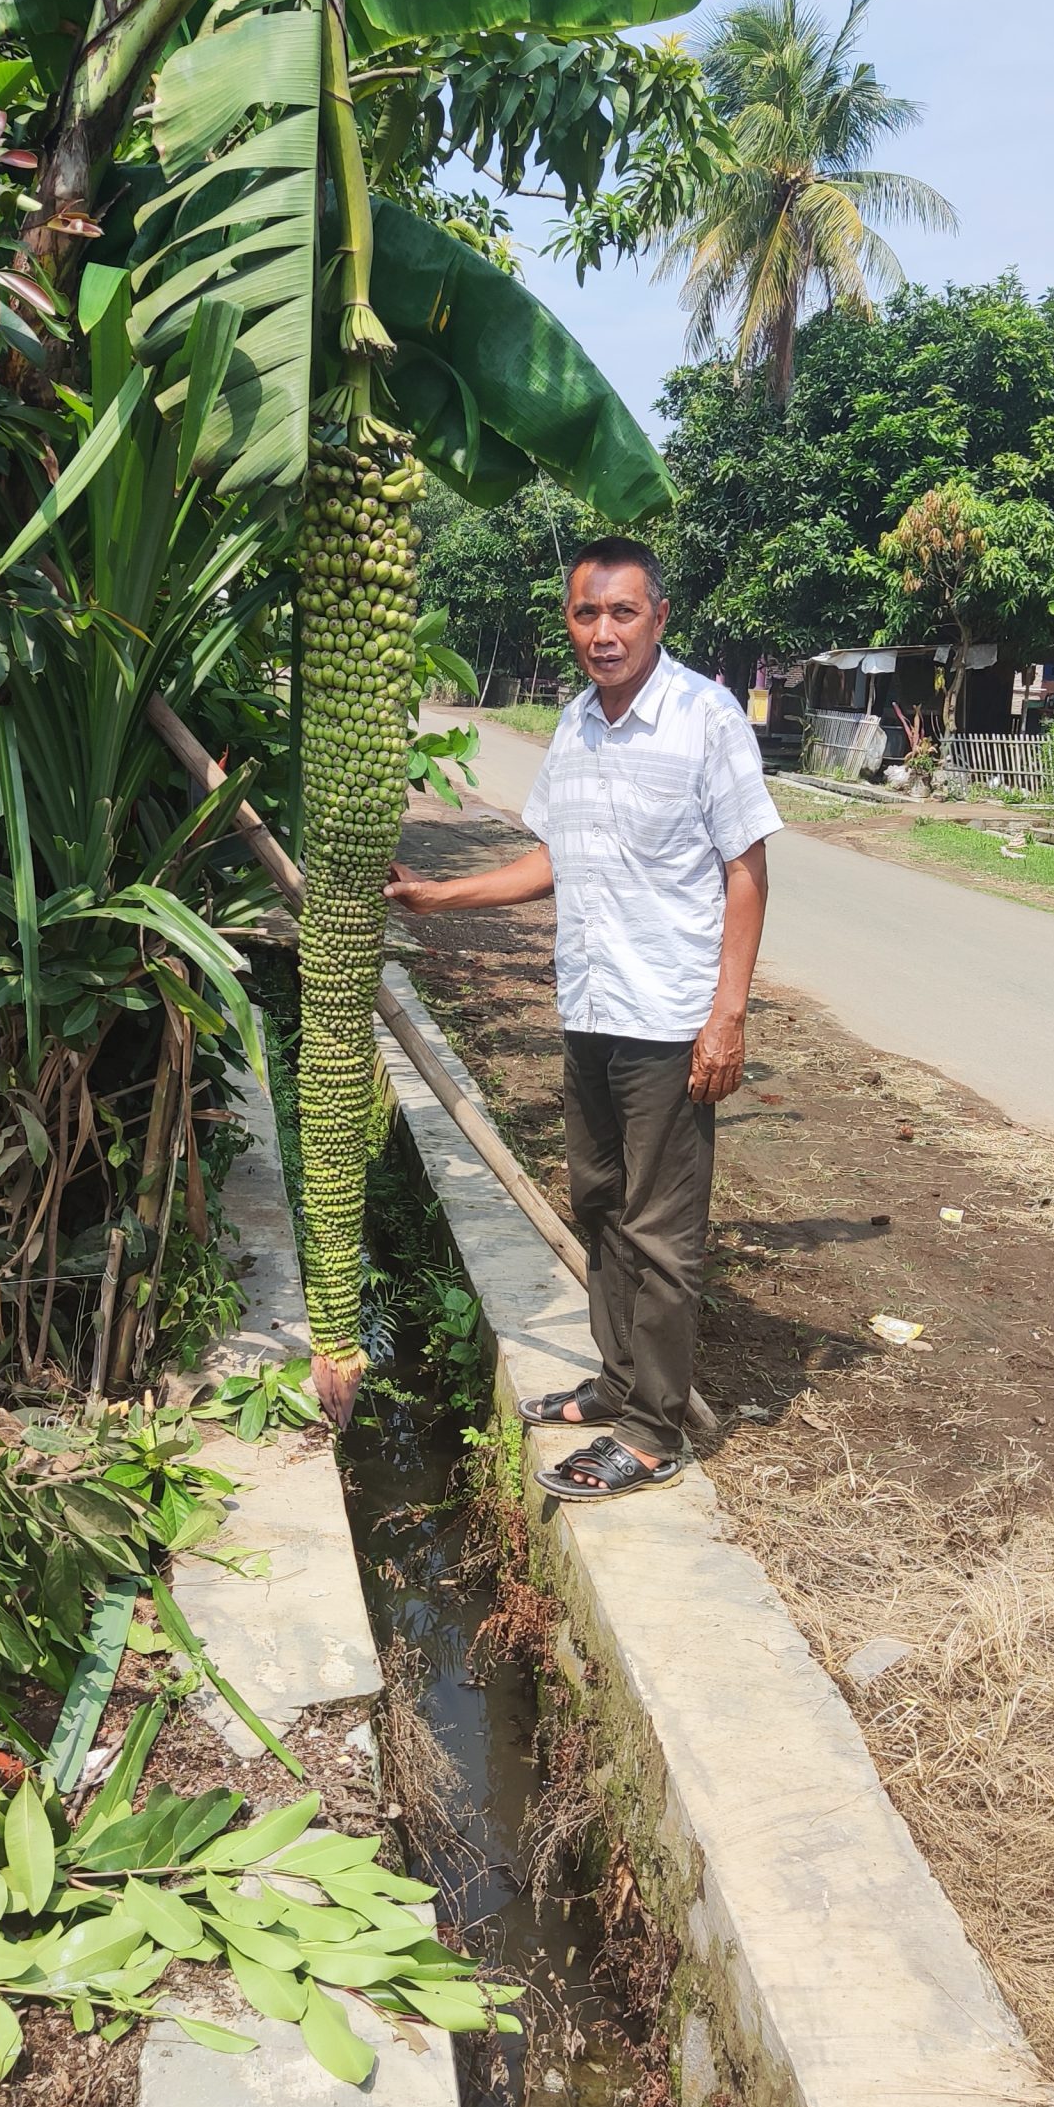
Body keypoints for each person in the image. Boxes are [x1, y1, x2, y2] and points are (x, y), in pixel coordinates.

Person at [385, 537, 781, 1500]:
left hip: (668, 1017)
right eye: (584, 614)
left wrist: (727, 1016)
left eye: (622, 613)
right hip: (592, 1006)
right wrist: (440, 900)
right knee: (600, 1203)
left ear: (660, 617)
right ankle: (616, 1382)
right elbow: (552, 860)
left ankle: (652, 1431)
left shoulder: (704, 717)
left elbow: (747, 869)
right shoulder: (575, 724)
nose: (602, 634)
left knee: (661, 1227)